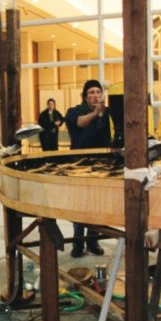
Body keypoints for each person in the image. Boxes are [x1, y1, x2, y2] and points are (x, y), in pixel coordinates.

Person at [64, 79, 110, 257]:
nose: (95, 95)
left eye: (98, 92)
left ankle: (92, 241)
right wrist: (95, 113)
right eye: (91, 92)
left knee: (97, 205)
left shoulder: (106, 114)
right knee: (80, 205)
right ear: (84, 96)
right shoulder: (74, 111)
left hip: (101, 167)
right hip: (80, 166)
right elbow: (79, 123)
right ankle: (78, 243)